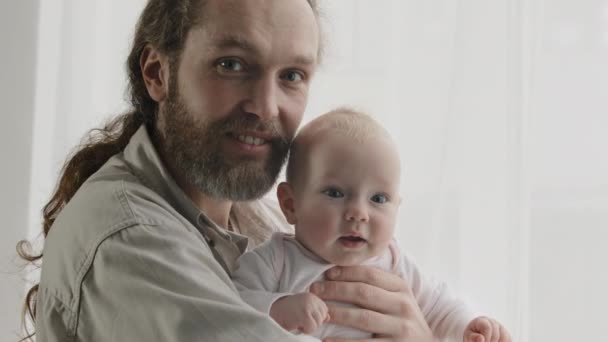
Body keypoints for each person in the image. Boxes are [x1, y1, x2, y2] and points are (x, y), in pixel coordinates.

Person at [17, 0, 441, 341]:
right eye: (232, 65)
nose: (266, 107)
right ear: (157, 73)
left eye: (292, 75)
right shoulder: (132, 239)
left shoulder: (258, 221)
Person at [232, 108, 512, 341]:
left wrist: (470, 325)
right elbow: (234, 304)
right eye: (335, 193)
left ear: (397, 208)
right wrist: (277, 308)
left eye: (378, 198)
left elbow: (439, 305)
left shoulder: (393, 262)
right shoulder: (277, 259)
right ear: (291, 205)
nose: (359, 213)